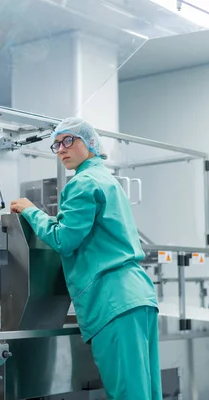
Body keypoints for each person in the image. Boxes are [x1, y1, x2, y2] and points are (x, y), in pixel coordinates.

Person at [10, 117, 162, 399]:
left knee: (130, 393)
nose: (62, 149)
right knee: (146, 390)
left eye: (69, 140)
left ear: (90, 142)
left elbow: (64, 239)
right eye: (56, 144)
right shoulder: (107, 179)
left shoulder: (82, 183)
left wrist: (32, 211)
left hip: (113, 300)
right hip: (137, 296)